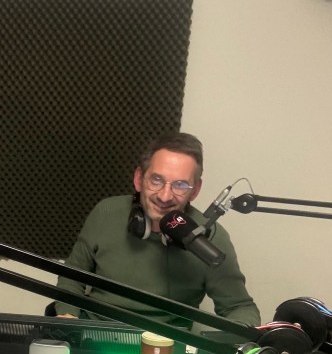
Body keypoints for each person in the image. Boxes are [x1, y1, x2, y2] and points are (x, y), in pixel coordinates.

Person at [52, 132, 260, 328]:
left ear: (195, 190)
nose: (165, 196)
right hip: (95, 334)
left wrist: (230, 339)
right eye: (157, 180)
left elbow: (240, 308)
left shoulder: (208, 236)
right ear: (138, 179)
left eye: (180, 185)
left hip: (167, 347)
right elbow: (71, 275)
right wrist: (68, 315)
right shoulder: (106, 213)